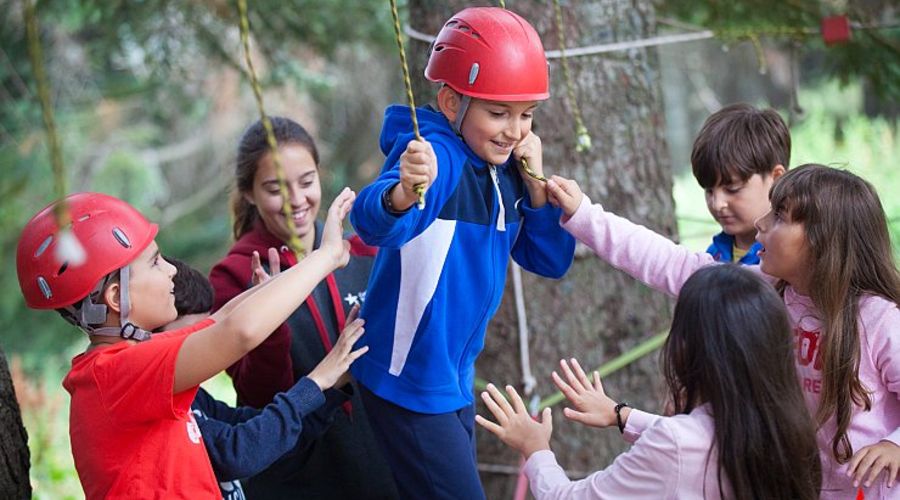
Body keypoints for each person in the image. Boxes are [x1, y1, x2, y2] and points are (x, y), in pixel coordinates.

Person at [544, 164, 900, 498]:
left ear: (823, 241)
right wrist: (584, 215)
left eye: (779, 216)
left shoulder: (880, 320)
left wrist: (895, 445)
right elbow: (668, 262)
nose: (760, 223)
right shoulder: (762, 292)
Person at [348, 7, 576, 499]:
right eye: (499, 112)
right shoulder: (439, 155)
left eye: (527, 114)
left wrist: (536, 184)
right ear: (451, 101)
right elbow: (371, 221)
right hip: (407, 381)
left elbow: (550, 260)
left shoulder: (503, 166)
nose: (515, 130)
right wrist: (403, 194)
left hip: (450, 377)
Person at [15, 189, 362, 498]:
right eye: (154, 262)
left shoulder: (126, 363)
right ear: (117, 297)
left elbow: (222, 320)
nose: (171, 271)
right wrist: (327, 256)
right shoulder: (115, 373)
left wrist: (280, 285)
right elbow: (238, 332)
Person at [477, 265, 822, 499]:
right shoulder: (787, 429)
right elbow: (711, 443)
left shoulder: (676, 443)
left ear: (690, 347)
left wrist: (535, 449)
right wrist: (622, 415)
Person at [208, 117, 397, 498]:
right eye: (275, 188)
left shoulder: (363, 251)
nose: (296, 200)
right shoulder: (235, 276)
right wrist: (270, 325)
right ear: (248, 193)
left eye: (306, 182)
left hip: (380, 464)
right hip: (297, 478)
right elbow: (259, 397)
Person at [162, 257, 358, 500]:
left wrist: (331, 387)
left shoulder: (193, 397)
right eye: (189, 338)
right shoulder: (159, 406)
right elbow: (238, 451)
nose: (203, 347)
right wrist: (316, 382)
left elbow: (262, 428)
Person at [691, 103, 789, 264]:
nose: (717, 204)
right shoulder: (712, 256)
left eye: (732, 189)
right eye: (709, 191)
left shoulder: (788, 262)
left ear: (776, 179)